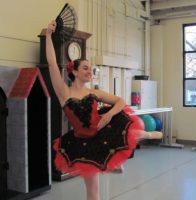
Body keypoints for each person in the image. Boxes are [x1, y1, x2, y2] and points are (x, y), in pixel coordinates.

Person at [46, 20, 162, 200]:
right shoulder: (64, 92)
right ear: (74, 72)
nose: (89, 71)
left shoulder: (93, 92)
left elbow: (120, 101)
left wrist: (108, 115)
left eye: (90, 69)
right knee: (93, 193)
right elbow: (52, 63)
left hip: (102, 131)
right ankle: (119, 159)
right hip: (82, 143)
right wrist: (48, 35)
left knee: (133, 132)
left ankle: (148, 135)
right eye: (85, 68)